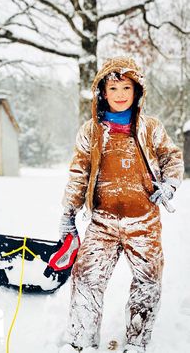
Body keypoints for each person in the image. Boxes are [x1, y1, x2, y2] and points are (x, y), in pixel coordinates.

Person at [59, 56, 184, 353]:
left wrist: (169, 185)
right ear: (102, 91)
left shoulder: (150, 128)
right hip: (102, 223)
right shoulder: (92, 130)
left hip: (144, 223)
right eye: (113, 88)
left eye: (126, 87)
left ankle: (137, 342)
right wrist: (68, 216)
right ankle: (80, 342)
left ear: (136, 91)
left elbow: (172, 157)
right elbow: (79, 174)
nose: (119, 95)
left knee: (148, 281)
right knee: (86, 277)